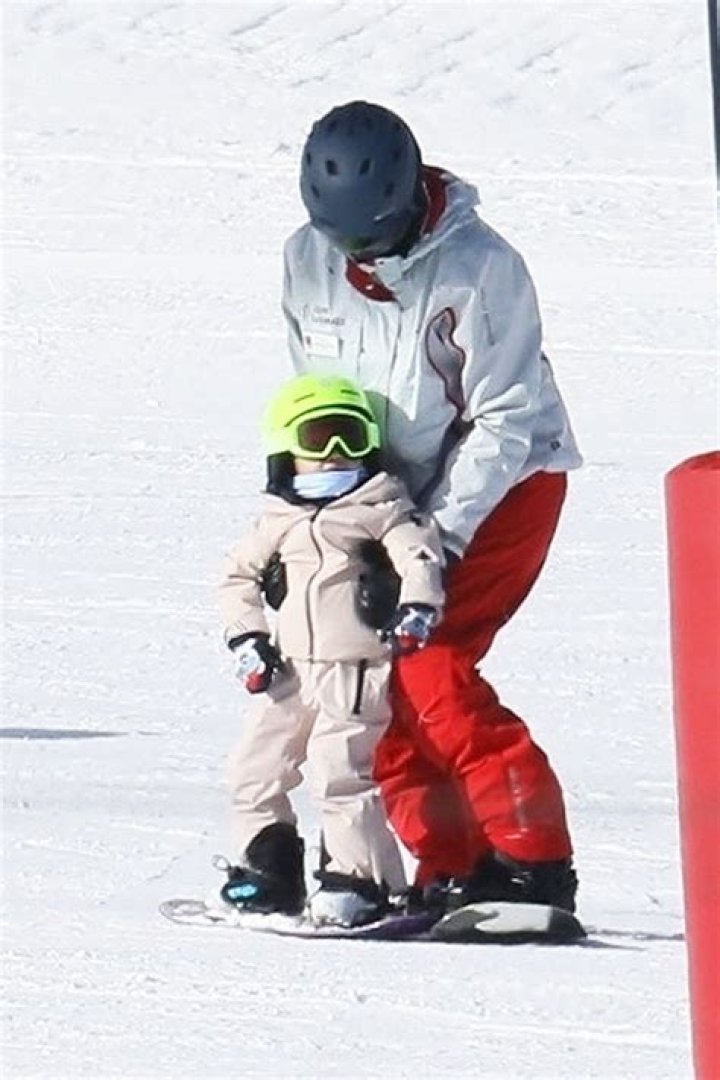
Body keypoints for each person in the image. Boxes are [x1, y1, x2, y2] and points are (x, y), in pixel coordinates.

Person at [281, 100, 584, 913]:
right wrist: (319, 522)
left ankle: (532, 860)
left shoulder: (481, 270)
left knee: (427, 662)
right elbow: (317, 399)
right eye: (345, 242)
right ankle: (452, 863)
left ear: (411, 199)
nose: (360, 259)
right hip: (388, 501)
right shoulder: (307, 263)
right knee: (369, 674)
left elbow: (507, 418)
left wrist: (435, 542)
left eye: (375, 239)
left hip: (504, 488)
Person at [217, 372, 445, 927]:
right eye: (320, 439)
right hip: (288, 672)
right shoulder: (277, 520)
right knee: (254, 768)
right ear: (286, 451)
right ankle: (266, 871)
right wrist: (249, 638)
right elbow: (235, 580)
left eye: (352, 437)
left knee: (339, 770)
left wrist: (416, 606)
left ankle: (361, 880)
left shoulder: (381, 507)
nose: (337, 455)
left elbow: (420, 557)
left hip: (354, 669)